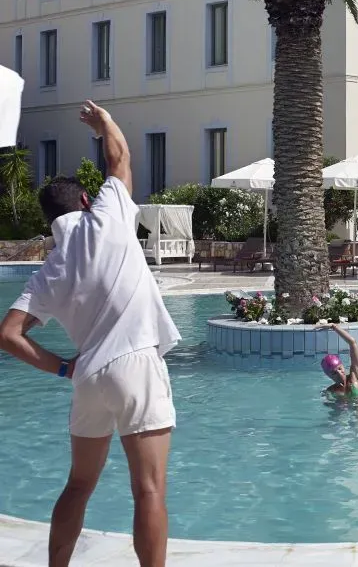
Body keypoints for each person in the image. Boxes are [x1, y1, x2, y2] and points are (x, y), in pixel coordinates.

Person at [0, 100, 180, 567]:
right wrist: (105, 123)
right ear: (84, 200)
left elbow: (9, 335)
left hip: (89, 376)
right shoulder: (107, 215)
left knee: (78, 485)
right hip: (136, 362)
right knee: (149, 489)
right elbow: (119, 159)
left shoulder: (49, 270)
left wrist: (61, 367)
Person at [316, 322, 358, 399]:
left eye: (340, 368)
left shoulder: (356, 375)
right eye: (334, 373)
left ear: (343, 365)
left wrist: (334, 326)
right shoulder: (330, 391)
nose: (340, 374)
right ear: (328, 375)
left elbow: (352, 342)